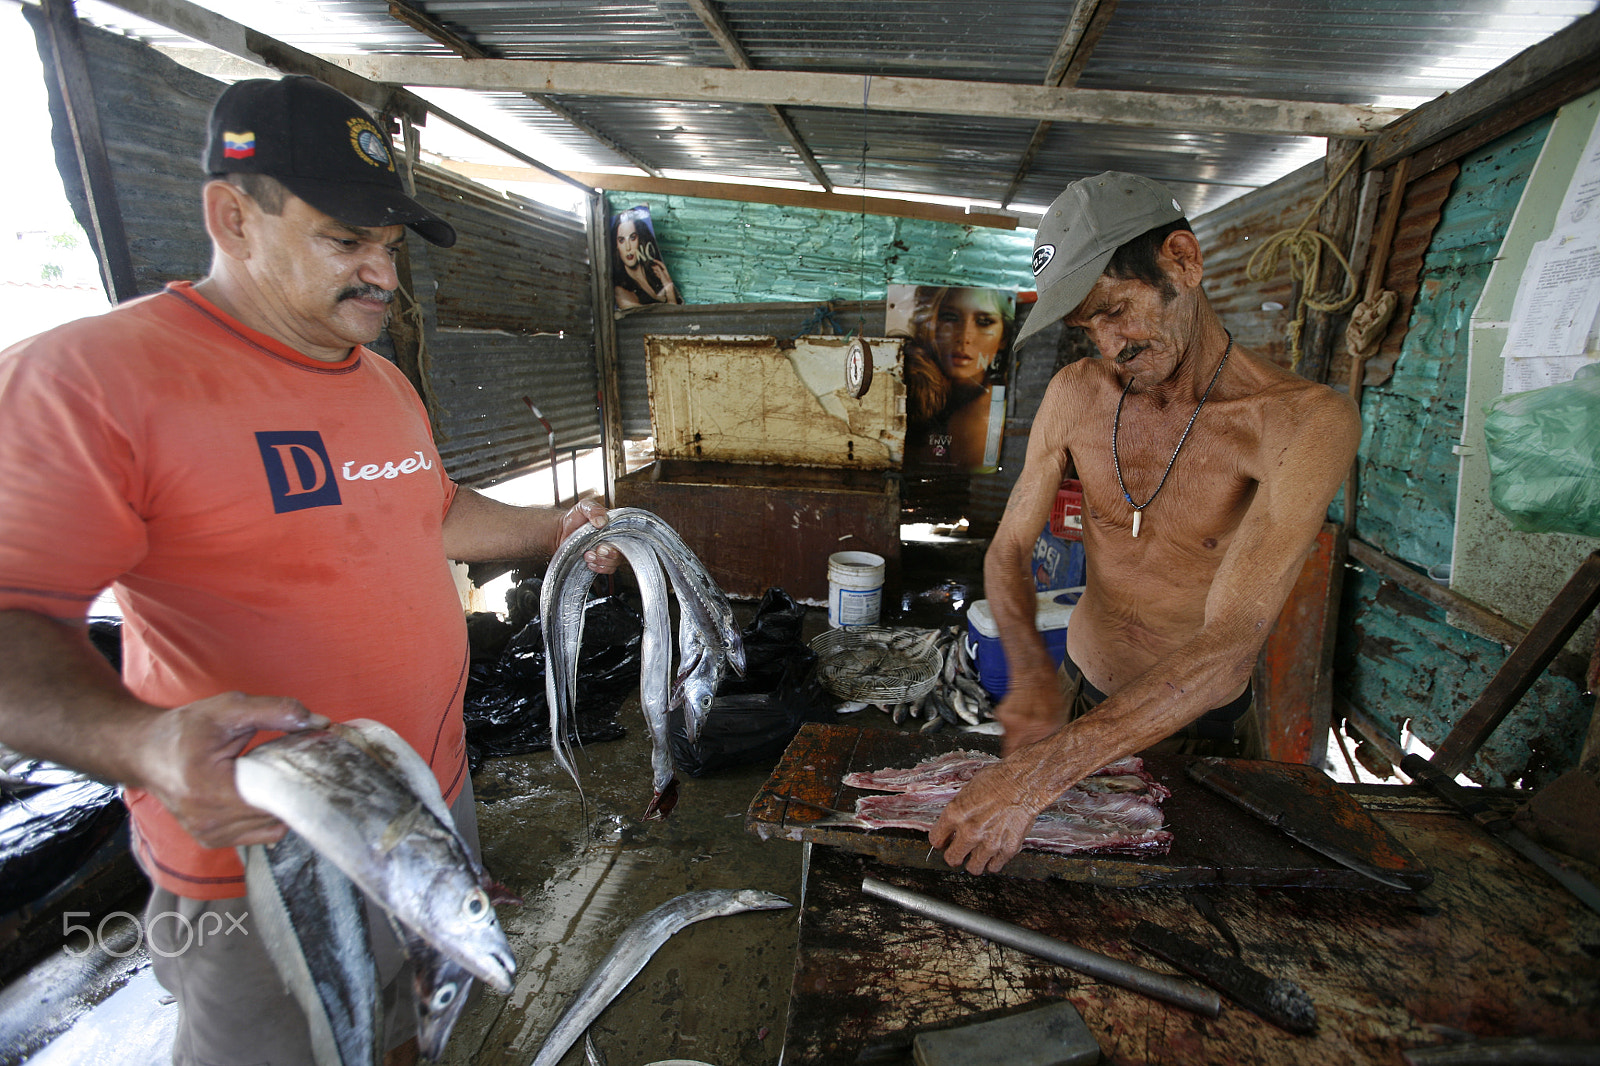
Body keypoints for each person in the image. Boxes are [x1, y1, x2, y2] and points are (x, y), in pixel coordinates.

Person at [0, 75, 619, 1065]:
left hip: (423, 804)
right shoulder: (91, 381)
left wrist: (558, 527)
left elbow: (434, 512)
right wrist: (147, 744)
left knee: (412, 1020)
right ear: (231, 216)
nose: (382, 275)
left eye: (390, 246)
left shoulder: (374, 375)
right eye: (345, 241)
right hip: (256, 850)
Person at [930, 172, 1361, 875]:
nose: (1109, 345)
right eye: (1088, 328)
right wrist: (1032, 669)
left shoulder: (1301, 423)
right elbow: (1008, 549)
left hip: (1196, 728)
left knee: (1178, 906)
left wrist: (1041, 775)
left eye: (1116, 310)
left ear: (1183, 262)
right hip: (1076, 689)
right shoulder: (1076, 395)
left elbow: (1228, 649)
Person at [903, 285, 1015, 472]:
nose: (964, 337)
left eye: (984, 322)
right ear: (932, 324)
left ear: (1004, 337)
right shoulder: (911, 381)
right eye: (950, 318)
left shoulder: (986, 416)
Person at [610, 205, 681, 308]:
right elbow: (658, 321)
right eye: (621, 240)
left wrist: (668, 283)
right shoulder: (621, 292)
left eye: (633, 238)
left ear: (640, 239)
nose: (628, 247)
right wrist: (669, 290)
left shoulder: (656, 273)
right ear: (616, 246)